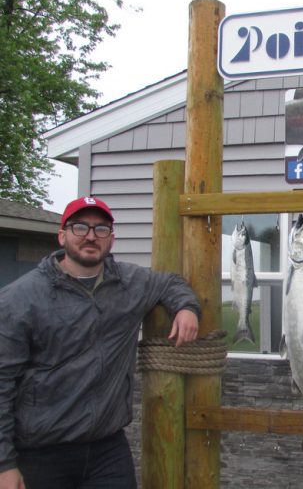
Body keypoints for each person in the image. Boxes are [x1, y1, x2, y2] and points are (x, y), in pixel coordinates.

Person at [0, 196, 201, 489]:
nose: (91, 236)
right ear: (62, 235)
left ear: (111, 239)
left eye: (101, 229)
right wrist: (4, 464)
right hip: (40, 453)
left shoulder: (129, 283)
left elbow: (170, 283)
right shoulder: (20, 298)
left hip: (107, 450)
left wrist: (187, 308)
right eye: (80, 227)